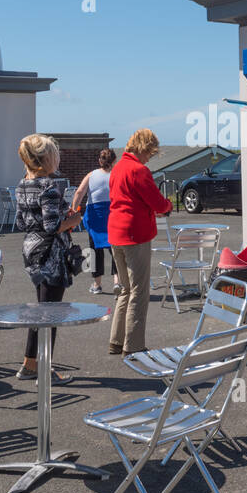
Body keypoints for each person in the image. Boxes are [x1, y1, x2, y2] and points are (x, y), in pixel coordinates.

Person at [16, 134, 82, 384]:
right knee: (52, 313)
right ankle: (45, 369)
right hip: (52, 255)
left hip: (31, 251)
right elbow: (53, 226)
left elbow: (22, 222)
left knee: (40, 309)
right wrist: (74, 220)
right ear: (46, 158)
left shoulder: (22, 185)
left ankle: (29, 363)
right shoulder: (50, 187)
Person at [107, 128, 173, 356]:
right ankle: (133, 345)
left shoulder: (117, 169)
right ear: (144, 148)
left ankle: (116, 340)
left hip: (116, 233)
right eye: (150, 152)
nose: (150, 157)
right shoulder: (139, 170)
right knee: (139, 291)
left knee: (124, 289)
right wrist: (167, 207)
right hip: (135, 235)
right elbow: (157, 201)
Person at [69, 148, 120, 295]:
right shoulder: (116, 175)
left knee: (94, 250)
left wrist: (73, 209)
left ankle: (97, 285)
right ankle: (117, 281)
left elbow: (79, 192)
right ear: (114, 161)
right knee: (115, 250)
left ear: (100, 161)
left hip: (94, 216)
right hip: (111, 214)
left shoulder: (91, 175)